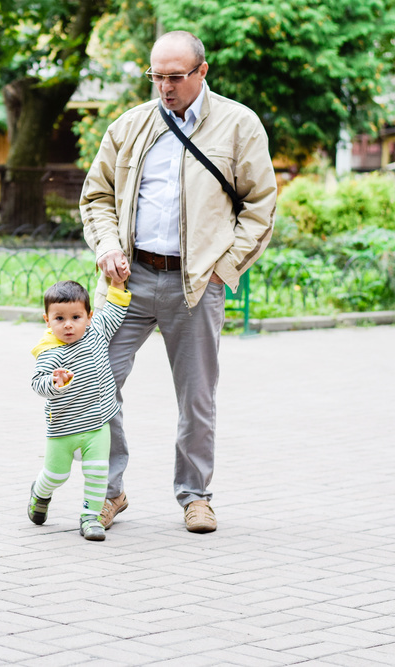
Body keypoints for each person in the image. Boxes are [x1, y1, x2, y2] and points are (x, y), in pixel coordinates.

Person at [80, 30, 276, 533]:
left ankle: (195, 496)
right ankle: (109, 492)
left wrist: (222, 268)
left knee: (196, 397)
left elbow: (261, 206)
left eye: (175, 77)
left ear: (201, 72)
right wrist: (106, 247)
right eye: (156, 77)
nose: (164, 87)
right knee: (97, 386)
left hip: (196, 285)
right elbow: (96, 197)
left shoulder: (239, 125)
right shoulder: (130, 125)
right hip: (128, 281)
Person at [27, 277, 130, 541]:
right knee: (56, 475)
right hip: (63, 428)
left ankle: (90, 518)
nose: (69, 324)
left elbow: (115, 311)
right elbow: (37, 383)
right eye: (59, 318)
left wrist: (117, 285)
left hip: (97, 424)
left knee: (97, 472)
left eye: (76, 317)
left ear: (89, 316)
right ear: (47, 321)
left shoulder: (97, 332)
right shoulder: (49, 353)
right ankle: (40, 492)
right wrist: (53, 381)